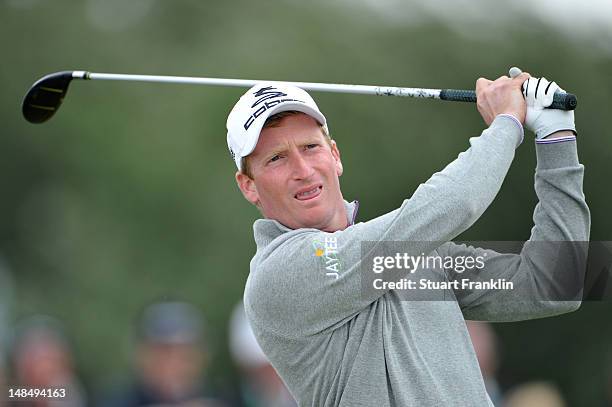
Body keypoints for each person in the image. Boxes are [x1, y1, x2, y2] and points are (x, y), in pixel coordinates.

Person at [225, 70, 590, 406]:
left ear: (334, 155)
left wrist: (556, 137)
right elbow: (453, 204)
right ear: (248, 186)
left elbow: (558, 282)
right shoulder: (281, 276)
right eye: (276, 159)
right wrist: (506, 122)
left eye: (310, 147)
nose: (302, 171)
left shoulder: (411, 255)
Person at [97, 301, 227, 407]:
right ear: (142, 355)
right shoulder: (116, 401)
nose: (174, 363)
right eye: (164, 352)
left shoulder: (221, 397)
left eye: (183, 354)